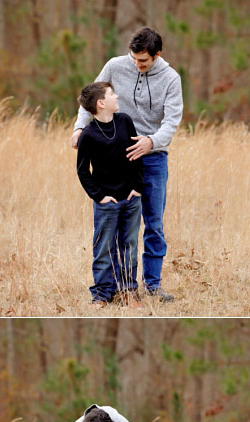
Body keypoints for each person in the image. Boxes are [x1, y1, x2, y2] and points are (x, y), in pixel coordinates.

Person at [71, 27, 183, 302]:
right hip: (117, 156)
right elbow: (91, 97)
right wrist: (79, 128)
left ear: (157, 55)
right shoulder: (114, 66)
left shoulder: (171, 79)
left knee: (153, 223)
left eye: (143, 61)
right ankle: (118, 288)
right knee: (119, 227)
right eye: (134, 59)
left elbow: (171, 121)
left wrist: (152, 142)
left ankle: (153, 286)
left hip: (153, 157)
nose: (137, 65)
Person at [75, 81, 144, 307]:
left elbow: (136, 156)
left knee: (129, 246)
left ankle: (128, 291)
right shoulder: (88, 135)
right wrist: (99, 196)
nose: (117, 96)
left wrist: (137, 187)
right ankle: (102, 293)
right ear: (101, 103)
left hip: (130, 199)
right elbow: (83, 171)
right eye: (112, 94)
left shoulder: (125, 122)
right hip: (107, 202)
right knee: (104, 247)